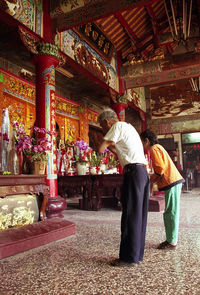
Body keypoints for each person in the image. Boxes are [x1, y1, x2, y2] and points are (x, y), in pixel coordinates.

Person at [98, 108, 150, 266]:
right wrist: (111, 146)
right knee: (138, 215)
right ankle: (136, 256)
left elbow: (101, 149)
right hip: (142, 172)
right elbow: (118, 150)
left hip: (133, 173)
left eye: (102, 127)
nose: (104, 130)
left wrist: (101, 142)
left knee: (130, 214)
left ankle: (128, 258)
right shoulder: (129, 128)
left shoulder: (116, 127)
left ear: (107, 122)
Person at [140, 129, 185, 249]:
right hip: (172, 181)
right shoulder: (157, 147)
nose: (141, 145)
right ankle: (171, 239)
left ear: (146, 141)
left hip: (172, 181)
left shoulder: (154, 148)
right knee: (170, 211)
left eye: (141, 142)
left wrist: (150, 179)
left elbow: (160, 169)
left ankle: (171, 241)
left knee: (171, 212)